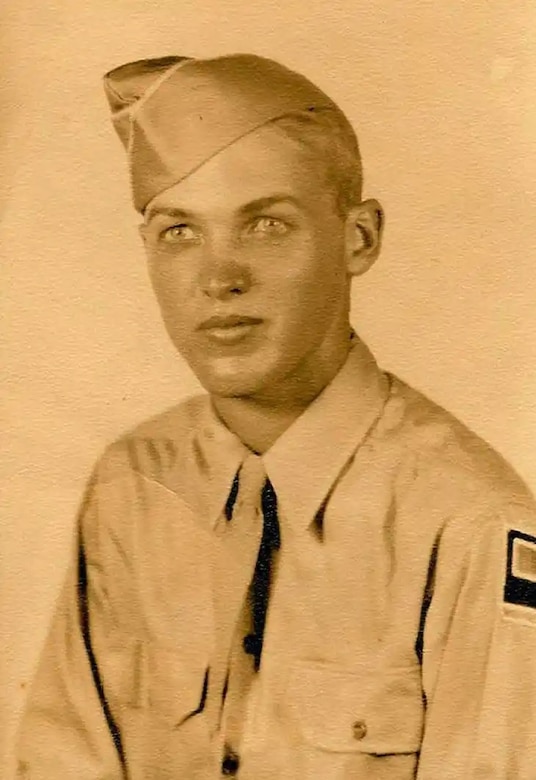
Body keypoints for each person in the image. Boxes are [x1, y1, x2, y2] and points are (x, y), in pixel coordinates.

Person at [16, 53, 536, 780]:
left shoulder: (467, 519)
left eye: (265, 224)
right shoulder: (133, 485)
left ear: (359, 239)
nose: (219, 278)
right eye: (179, 232)